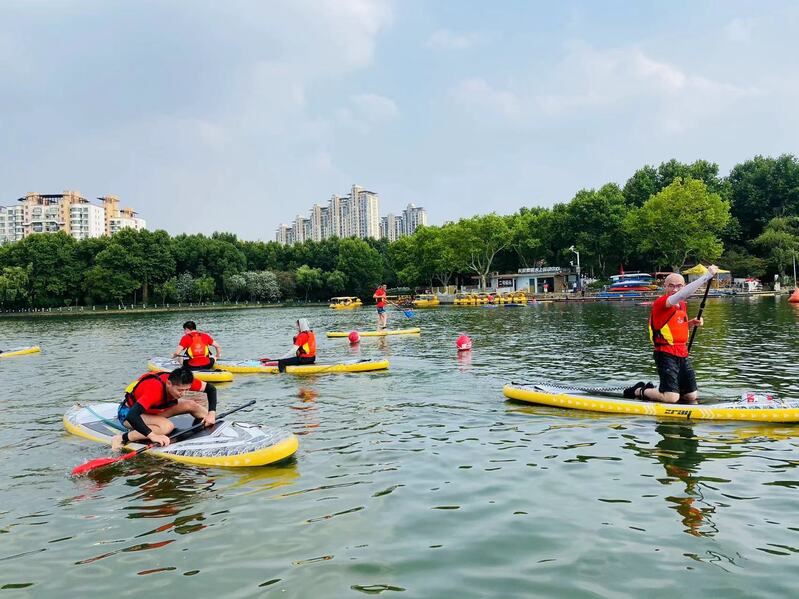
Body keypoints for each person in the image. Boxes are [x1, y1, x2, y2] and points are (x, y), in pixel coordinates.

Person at [624, 265, 719, 404]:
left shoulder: (682, 305)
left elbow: (673, 327)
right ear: (665, 286)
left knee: (691, 396)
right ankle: (639, 390)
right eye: (671, 286)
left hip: (682, 353)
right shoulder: (661, 303)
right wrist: (706, 276)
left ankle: (666, 390)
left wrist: (691, 323)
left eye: (679, 286)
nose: (675, 289)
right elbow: (682, 294)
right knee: (671, 398)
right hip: (665, 353)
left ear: (683, 285)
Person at [111, 366, 217, 450]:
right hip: (128, 413)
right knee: (167, 426)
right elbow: (132, 415)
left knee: (193, 405)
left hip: (155, 409)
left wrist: (211, 414)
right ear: (169, 383)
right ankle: (123, 438)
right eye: (180, 390)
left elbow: (211, 389)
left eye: (187, 390)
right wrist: (153, 436)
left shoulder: (183, 381)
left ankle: (213, 427)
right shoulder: (154, 389)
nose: (183, 394)